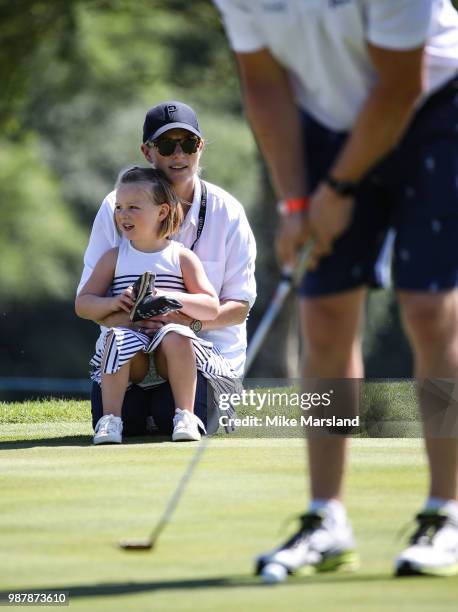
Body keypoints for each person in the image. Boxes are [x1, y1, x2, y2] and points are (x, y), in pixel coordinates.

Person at [214, 0, 458, 578]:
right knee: (322, 316)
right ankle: (326, 518)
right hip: (327, 121)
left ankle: (446, 512)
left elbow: (400, 85)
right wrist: (295, 203)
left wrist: (338, 190)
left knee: (428, 308)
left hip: (436, 107)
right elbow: (265, 85)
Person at [77, 101, 256, 438]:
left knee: (168, 412)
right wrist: (134, 319)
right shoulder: (115, 208)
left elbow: (238, 308)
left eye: (188, 144)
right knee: (124, 422)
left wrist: (180, 319)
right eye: (166, 145)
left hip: (208, 358)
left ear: (199, 148)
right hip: (129, 356)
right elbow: (88, 301)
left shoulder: (228, 212)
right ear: (147, 151)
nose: (179, 154)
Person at [75, 167, 232, 444]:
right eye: (119, 207)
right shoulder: (114, 257)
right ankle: (110, 420)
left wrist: (170, 299)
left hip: (166, 356)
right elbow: (83, 304)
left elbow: (210, 307)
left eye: (133, 207)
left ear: (161, 212)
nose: (123, 214)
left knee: (178, 336)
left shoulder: (181, 257)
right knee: (116, 338)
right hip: (131, 355)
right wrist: (113, 302)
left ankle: (185, 415)